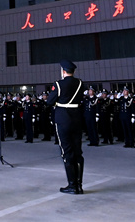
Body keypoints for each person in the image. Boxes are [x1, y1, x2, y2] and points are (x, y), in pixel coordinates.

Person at [47, 59, 85, 195]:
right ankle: (79, 185)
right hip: (77, 118)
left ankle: (72, 185)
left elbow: (50, 101)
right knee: (77, 152)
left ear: (63, 71)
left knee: (67, 152)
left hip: (63, 119)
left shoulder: (58, 84)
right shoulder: (80, 83)